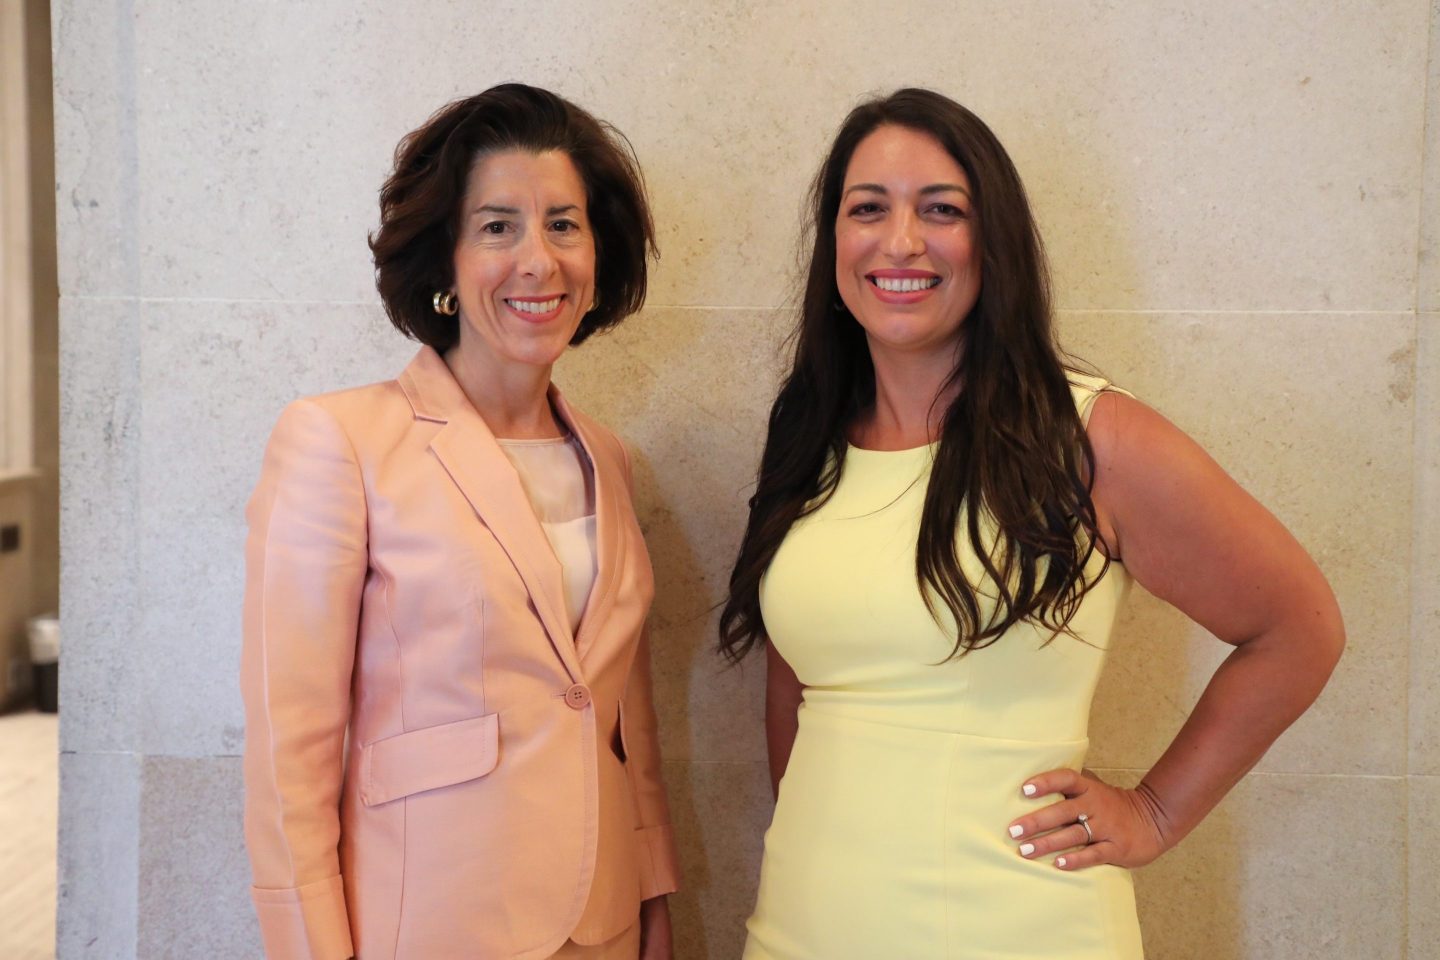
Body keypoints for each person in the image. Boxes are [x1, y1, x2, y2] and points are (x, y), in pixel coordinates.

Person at [719, 88, 1345, 959]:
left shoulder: (1090, 438)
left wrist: (1155, 812)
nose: (900, 241)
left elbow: (1298, 627)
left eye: (941, 210)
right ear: (835, 242)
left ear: (994, 242)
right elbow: (796, 679)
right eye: (869, 209)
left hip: (1017, 930)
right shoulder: (807, 439)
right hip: (800, 931)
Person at [240, 84, 677, 960]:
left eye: (563, 224)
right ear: (445, 257)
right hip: (432, 927)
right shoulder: (341, 441)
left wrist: (656, 910)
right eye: (497, 226)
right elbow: (290, 756)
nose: (537, 261)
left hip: (605, 925)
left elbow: (622, 724)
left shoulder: (610, 458)